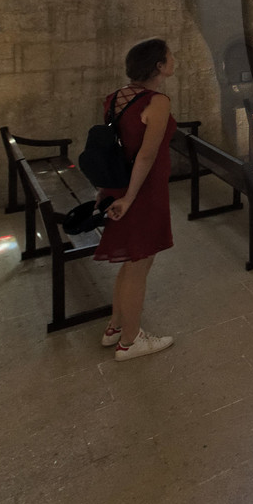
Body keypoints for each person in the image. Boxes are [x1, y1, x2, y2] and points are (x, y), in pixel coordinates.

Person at [95, 37, 177, 360]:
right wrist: (130, 198)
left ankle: (115, 326)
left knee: (131, 262)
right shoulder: (158, 103)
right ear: (159, 66)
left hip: (121, 186)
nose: (174, 60)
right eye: (170, 57)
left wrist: (116, 193)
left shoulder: (115, 98)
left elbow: (118, 146)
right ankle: (130, 341)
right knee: (139, 263)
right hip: (142, 190)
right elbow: (146, 155)